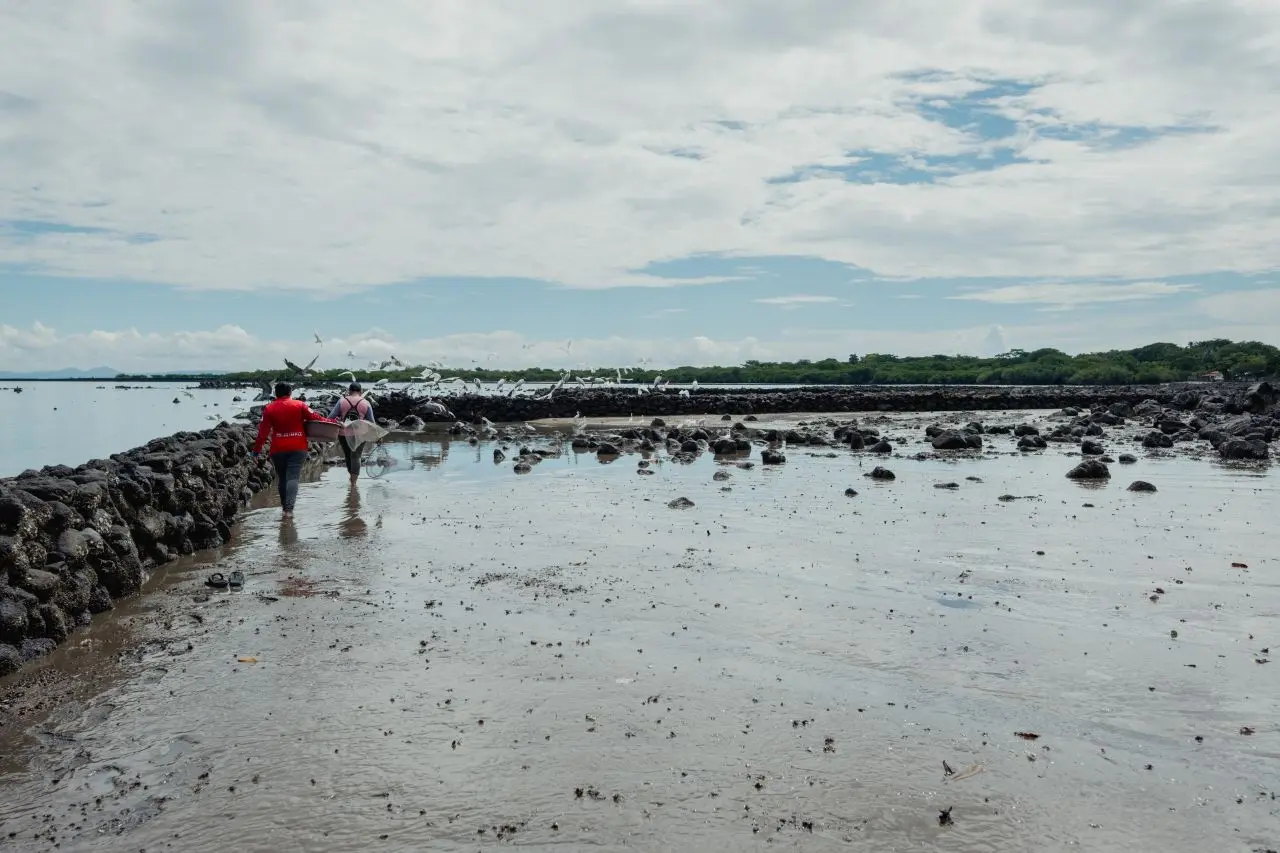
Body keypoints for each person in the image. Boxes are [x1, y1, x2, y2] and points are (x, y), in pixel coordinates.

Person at [252, 382, 324, 519]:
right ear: (290, 392)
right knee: (293, 477)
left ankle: (285, 508)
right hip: (298, 447)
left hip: (278, 449)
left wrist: (256, 451)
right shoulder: (300, 405)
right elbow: (317, 418)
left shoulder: (269, 408)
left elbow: (263, 433)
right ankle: (289, 511)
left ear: (276, 393)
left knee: (282, 478)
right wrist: (333, 422)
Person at [329, 382, 376, 482]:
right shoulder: (366, 403)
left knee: (348, 456)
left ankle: (351, 477)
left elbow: (330, 417)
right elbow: (372, 422)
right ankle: (354, 482)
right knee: (356, 457)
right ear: (361, 391)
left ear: (349, 391)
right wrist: (378, 436)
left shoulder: (342, 401)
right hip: (360, 434)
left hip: (343, 433)